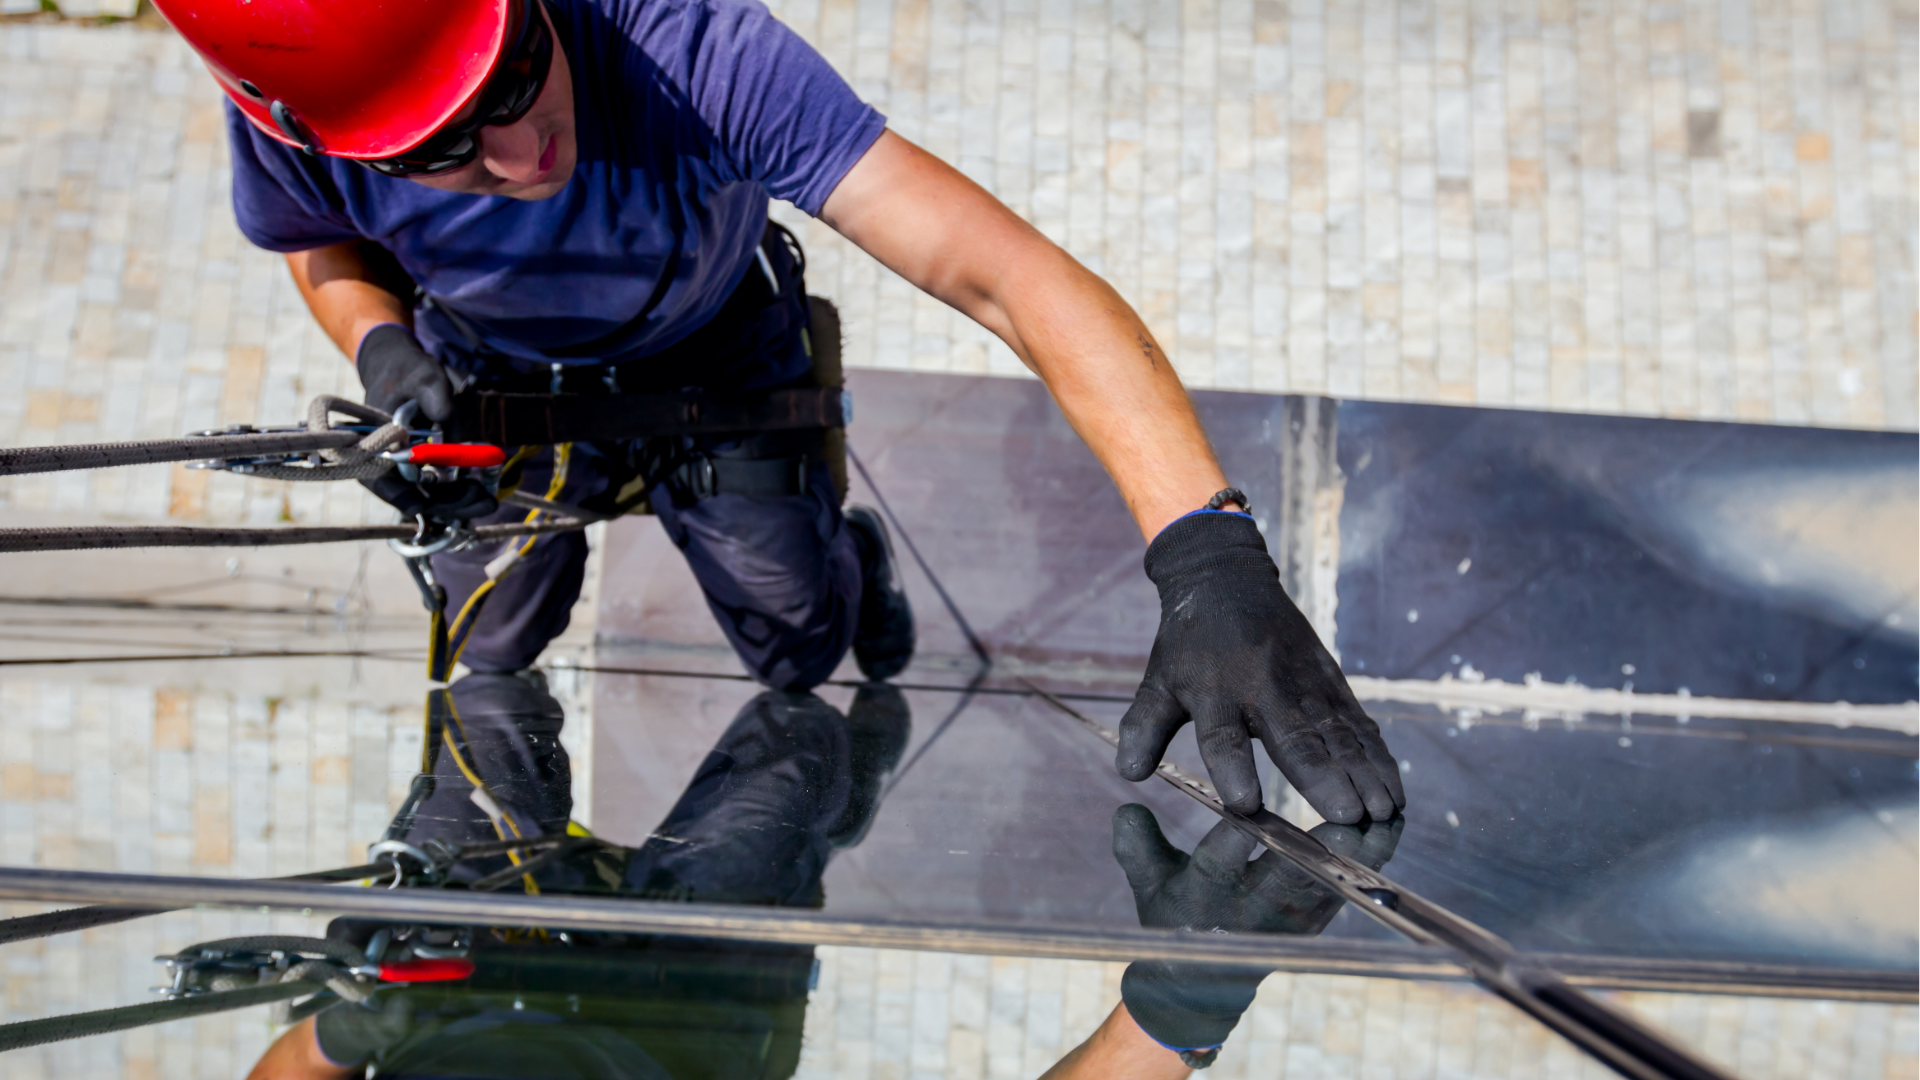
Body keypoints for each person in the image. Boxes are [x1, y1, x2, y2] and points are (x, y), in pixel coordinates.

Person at [151, 0, 1404, 825]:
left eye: (522, 76)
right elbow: (320, 246)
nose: (524, 157)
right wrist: (380, 344)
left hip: (722, 365)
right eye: (441, 152)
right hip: (487, 386)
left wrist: (1209, 559)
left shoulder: (678, 44)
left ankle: (846, 559)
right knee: (487, 659)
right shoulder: (299, 108)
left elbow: (1005, 274)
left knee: (802, 650)